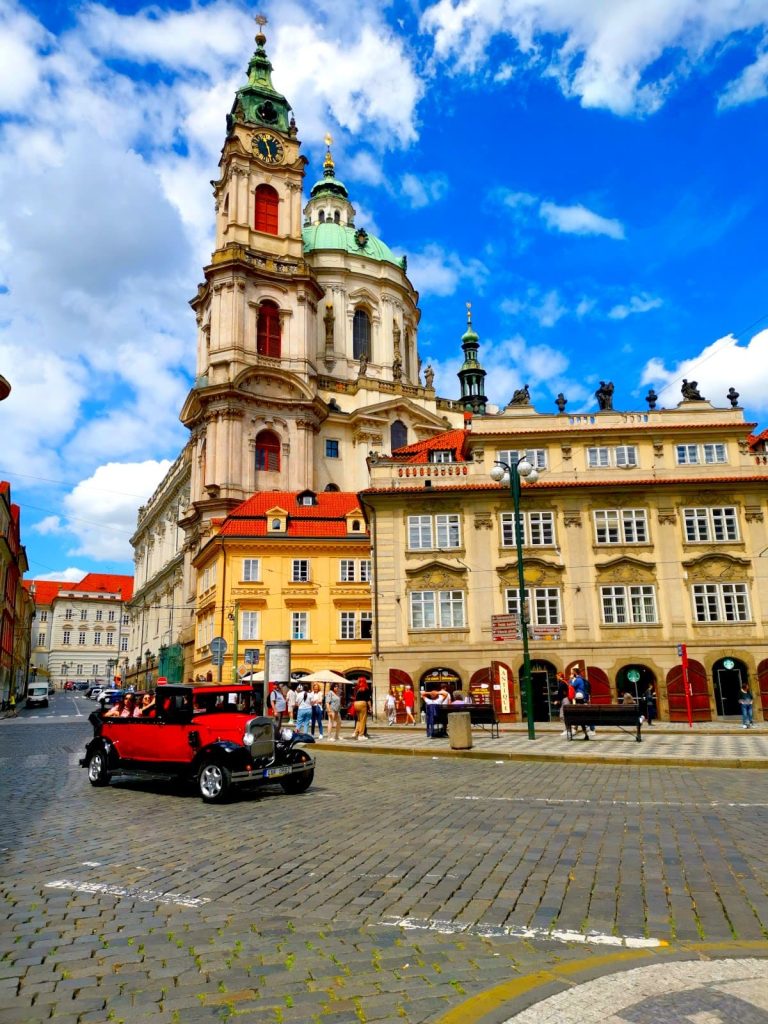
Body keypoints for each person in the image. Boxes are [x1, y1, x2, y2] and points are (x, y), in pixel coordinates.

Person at [353, 676, 371, 741]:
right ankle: (361, 735)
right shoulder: (366, 689)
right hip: (362, 704)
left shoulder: (357, 689)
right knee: (363, 720)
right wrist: (370, 707)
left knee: (358, 720)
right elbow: (368, 699)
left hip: (356, 704)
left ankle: (355, 733)